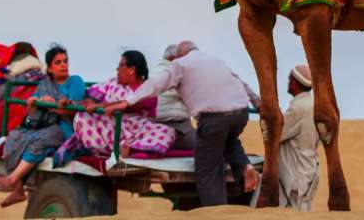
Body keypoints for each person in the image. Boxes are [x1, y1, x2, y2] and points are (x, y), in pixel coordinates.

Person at [105, 41, 260, 207]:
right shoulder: (215, 61)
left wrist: (127, 102)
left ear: (179, 55)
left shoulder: (180, 64)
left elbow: (154, 85)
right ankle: (244, 167)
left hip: (213, 119)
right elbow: (241, 82)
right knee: (228, 141)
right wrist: (257, 102)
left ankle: (216, 212)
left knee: (207, 170)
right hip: (240, 113)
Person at [0, 45, 87, 208]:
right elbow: (30, 109)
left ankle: (13, 179)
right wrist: (33, 102)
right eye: (58, 63)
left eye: (65, 61)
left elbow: (72, 110)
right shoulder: (45, 83)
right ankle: (18, 190)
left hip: (66, 128)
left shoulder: (76, 82)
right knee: (15, 136)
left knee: (41, 140)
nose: (63, 65)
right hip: (43, 124)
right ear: (50, 69)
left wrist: (50, 104)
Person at [69, 50, 176, 159]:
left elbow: (131, 106)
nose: (117, 69)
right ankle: (112, 149)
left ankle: (130, 147)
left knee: (167, 131)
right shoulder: (112, 83)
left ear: (131, 70)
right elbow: (90, 98)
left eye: (121, 65)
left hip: (138, 129)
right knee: (82, 116)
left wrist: (101, 106)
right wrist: (82, 102)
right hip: (110, 128)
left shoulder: (148, 88)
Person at [278, 65, 320, 211]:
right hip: (310, 170)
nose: (288, 82)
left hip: (295, 175)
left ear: (295, 83)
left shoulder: (297, 109)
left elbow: (277, 135)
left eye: (290, 79)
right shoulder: (314, 105)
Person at [155, 43, 196, 150]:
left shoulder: (154, 71)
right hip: (176, 127)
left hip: (153, 126)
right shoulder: (175, 73)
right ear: (173, 58)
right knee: (211, 142)